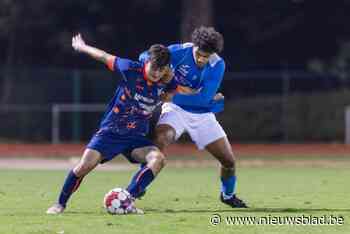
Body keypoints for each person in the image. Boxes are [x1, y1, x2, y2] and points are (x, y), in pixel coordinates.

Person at [46, 34, 175, 214]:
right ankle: (60, 203)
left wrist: (173, 93)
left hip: (136, 137)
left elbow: (174, 92)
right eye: (154, 67)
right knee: (84, 166)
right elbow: (104, 56)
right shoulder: (129, 68)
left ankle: (127, 200)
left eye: (161, 70)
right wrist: (83, 47)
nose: (156, 73)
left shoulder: (167, 81)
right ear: (147, 61)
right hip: (111, 132)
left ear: (166, 70)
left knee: (158, 159)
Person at [139, 26, 248, 208]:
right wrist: (160, 72)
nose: (201, 59)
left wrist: (173, 92)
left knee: (229, 162)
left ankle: (228, 195)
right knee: (161, 138)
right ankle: (139, 185)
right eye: (198, 54)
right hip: (175, 110)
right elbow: (144, 56)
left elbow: (203, 100)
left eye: (206, 56)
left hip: (202, 115)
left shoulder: (217, 65)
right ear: (194, 46)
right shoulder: (178, 51)